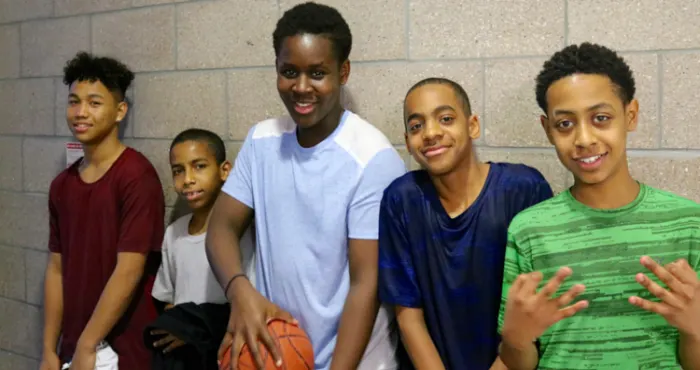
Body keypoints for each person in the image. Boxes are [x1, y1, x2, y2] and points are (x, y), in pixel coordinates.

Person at [205, 2, 406, 370]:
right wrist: (239, 291)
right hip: (275, 350)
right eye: (289, 72)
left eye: (317, 73)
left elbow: (366, 283)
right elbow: (221, 227)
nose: (301, 87)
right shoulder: (261, 140)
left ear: (343, 72)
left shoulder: (372, 158)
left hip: (352, 360)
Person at [497, 42, 700, 370]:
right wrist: (516, 340)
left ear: (630, 115)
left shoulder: (689, 223)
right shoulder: (529, 229)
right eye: (565, 124)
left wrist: (696, 331)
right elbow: (518, 361)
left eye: (601, 118)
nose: (584, 138)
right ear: (547, 129)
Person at [377, 77, 553, 370]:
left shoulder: (523, 189)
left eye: (445, 119)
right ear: (407, 142)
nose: (431, 133)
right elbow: (408, 317)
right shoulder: (401, 200)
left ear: (472, 125)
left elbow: (536, 314)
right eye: (416, 126)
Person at [40, 52, 165, 370]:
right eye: (73, 102)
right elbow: (57, 270)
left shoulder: (136, 175)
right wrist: (49, 350)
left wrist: (87, 343)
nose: (80, 113)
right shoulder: (61, 186)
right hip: (75, 350)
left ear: (120, 110)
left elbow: (130, 270)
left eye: (94, 103)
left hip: (124, 351)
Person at [147, 129, 256, 369]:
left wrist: (197, 329)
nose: (187, 179)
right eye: (178, 170)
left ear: (224, 170)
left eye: (199, 166)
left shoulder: (243, 233)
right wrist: (180, 325)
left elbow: (249, 301)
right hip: (186, 357)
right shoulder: (174, 233)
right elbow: (168, 297)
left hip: (225, 351)